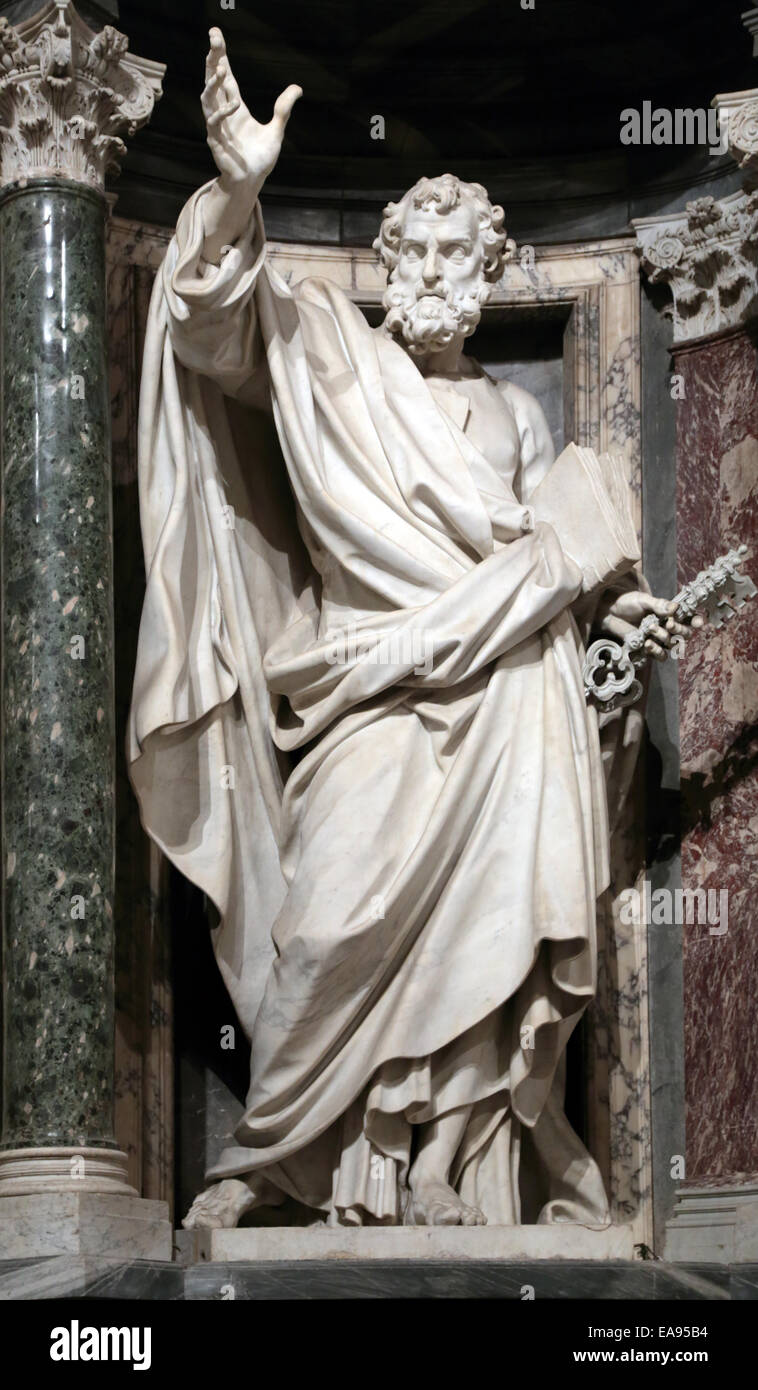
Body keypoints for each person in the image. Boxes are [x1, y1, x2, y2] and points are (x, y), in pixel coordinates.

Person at [129, 28, 695, 1229]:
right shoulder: (326, 355)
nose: (436, 272)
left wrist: (615, 620)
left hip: (505, 705)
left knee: (490, 933)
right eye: (417, 251)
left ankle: (447, 1159)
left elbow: (564, 557)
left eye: (457, 254)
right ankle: (267, 1155)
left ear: (487, 270)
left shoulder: (514, 418)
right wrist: (234, 190)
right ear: (387, 264)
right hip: (361, 695)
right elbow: (205, 330)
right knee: (325, 923)